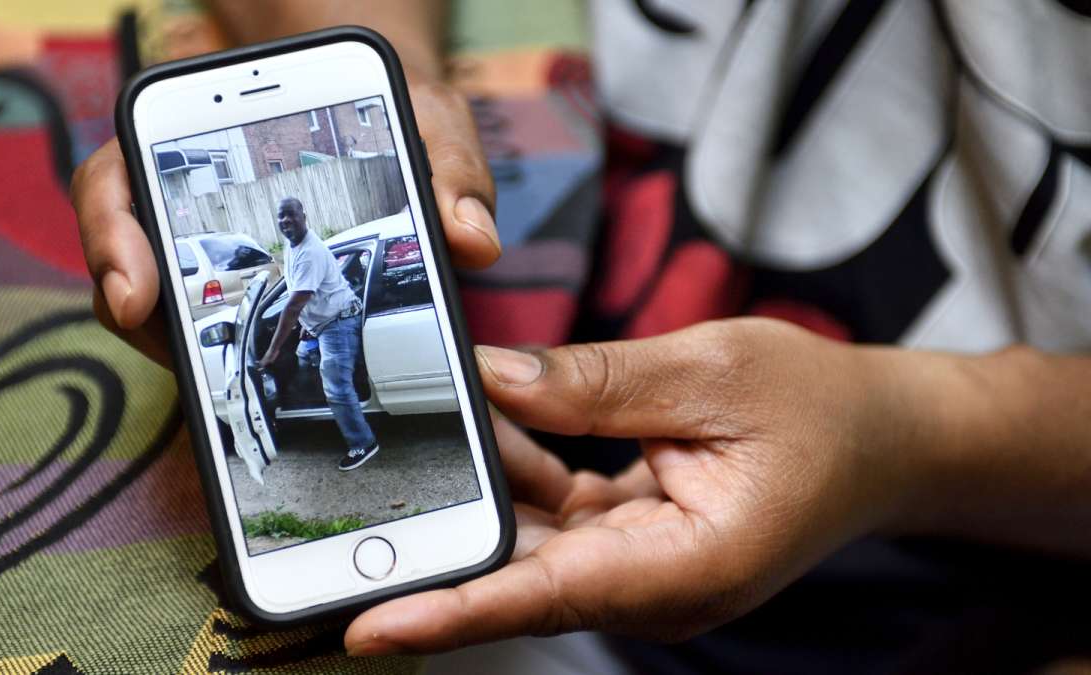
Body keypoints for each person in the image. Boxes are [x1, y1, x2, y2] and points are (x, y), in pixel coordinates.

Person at [73, 0, 1091, 671]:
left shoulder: (319, 253)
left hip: (943, 548)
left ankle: (359, 439)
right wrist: (371, 57)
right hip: (577, 222)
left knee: (342, 398)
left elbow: (314, 296)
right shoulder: (309, 243)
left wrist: (901, 435)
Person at [257, 196, 380, 471]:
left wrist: (273, 350)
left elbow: (294, 304)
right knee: (303, 357)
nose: (286, 221)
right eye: (281, 216)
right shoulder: (293, 246)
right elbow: (300, 293)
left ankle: (363, 442)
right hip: (321, 324)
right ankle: (333, 407)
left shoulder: (310, 252)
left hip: (337, 324)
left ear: (304, 215)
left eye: (291, 214)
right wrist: (305, 326)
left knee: (336, 387)